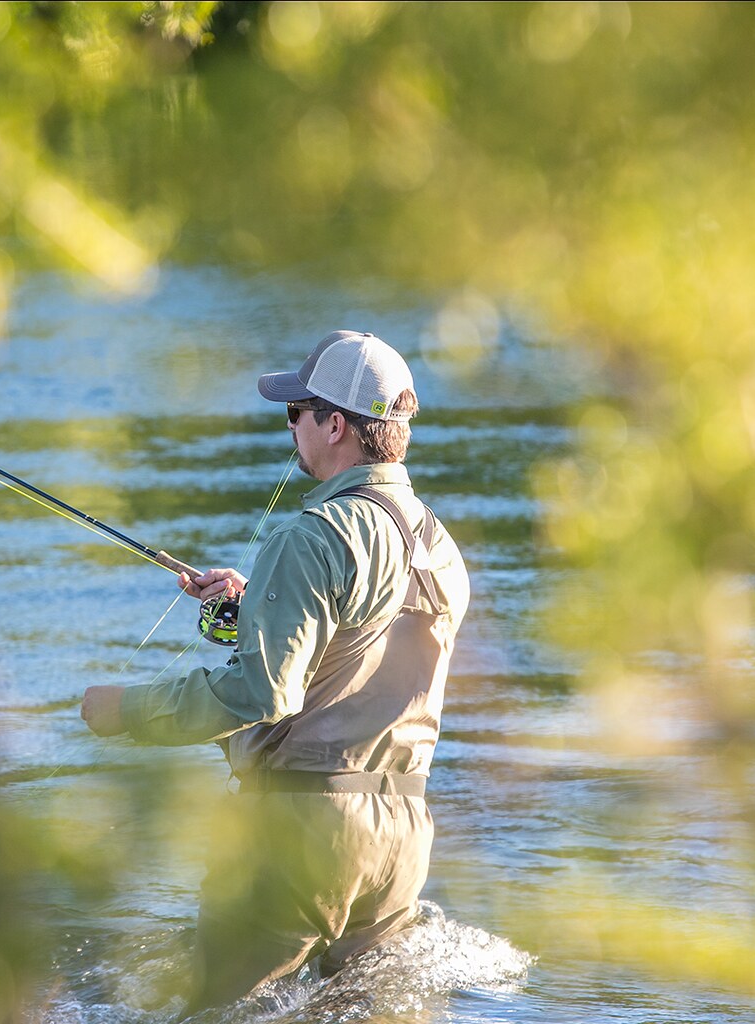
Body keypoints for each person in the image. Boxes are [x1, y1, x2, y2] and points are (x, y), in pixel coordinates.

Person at [81, 330, 469, 1012]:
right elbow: (356, 652)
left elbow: (261, 694)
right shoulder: (440, 546)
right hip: (403, 838)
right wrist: (254, 602)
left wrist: (125, 711)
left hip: (305, 830)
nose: (289, 426)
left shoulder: (315, 534)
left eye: (297, 411)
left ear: (335, 424)